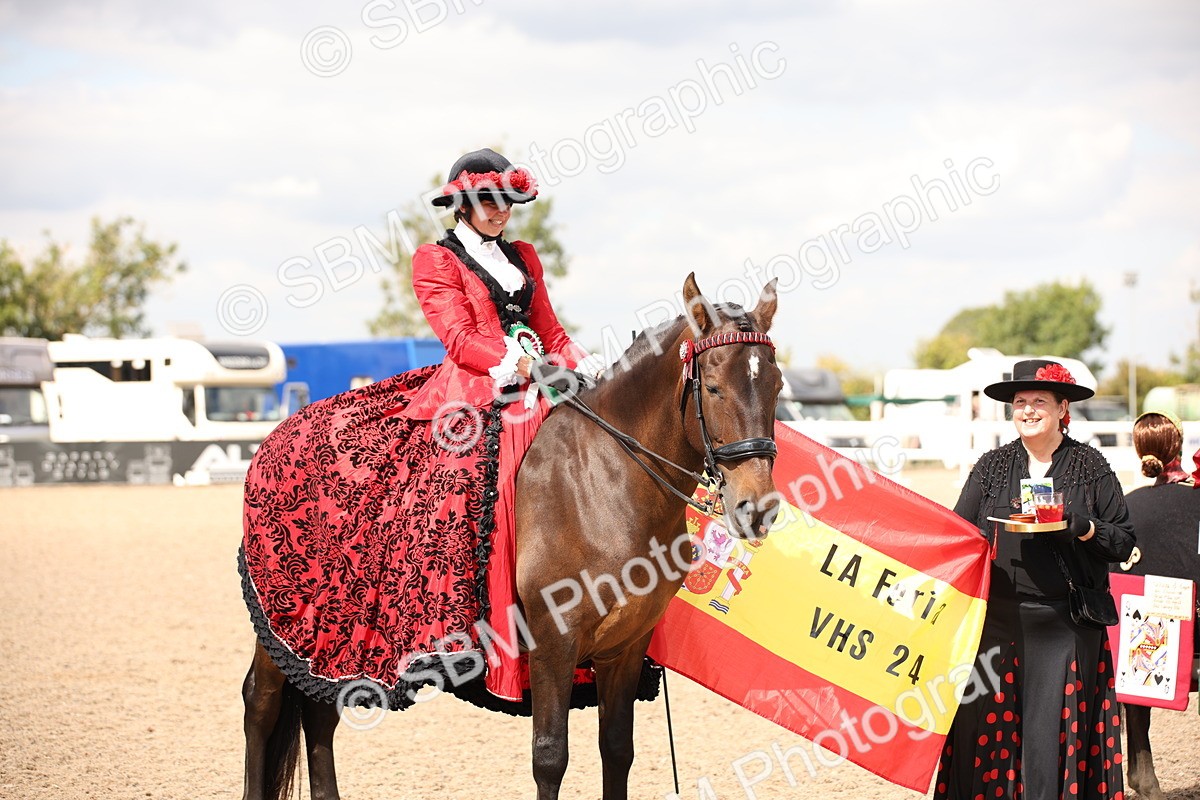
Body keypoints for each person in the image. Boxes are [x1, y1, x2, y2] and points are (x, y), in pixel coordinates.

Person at [240, 148, 605, 711]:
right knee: (459, 487)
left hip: (538, 383)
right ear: (462, 204)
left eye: (506, 200)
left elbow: (551, 331)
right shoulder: (434, 260)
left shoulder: (525, 256)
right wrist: (525, 366)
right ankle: (460, 629)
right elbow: (459, 339)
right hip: (472, 393)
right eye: (487, 200)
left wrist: (585, 363)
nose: (499, 210)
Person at [934, 359, 1135, 800]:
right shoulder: (991, 466)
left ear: (1063, 408)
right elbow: (957, 533)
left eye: (1038, 401)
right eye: (1019, 402)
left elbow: (1123, 541)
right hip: (998, 626)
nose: (1026, 410)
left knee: (1050, 741)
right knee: (988, 735)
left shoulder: (1089, 466)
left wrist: (1080, 526)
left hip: (1064, 628)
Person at [1118, 412, 1200, 800]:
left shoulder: (1126, 508)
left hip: (1147, 648)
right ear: (1179, 447)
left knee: (1137, 618)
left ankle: (1140, 766)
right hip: (1197, 635)